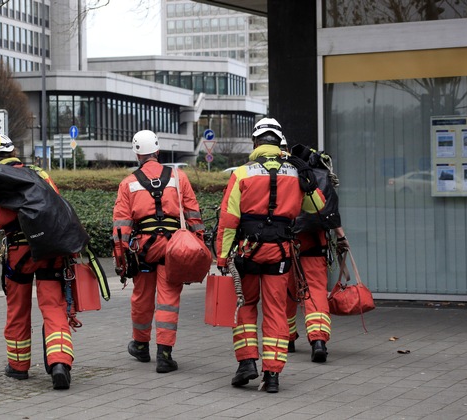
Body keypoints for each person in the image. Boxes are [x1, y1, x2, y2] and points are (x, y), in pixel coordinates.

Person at [0, 133, 74, 390]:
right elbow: (58, 209)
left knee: (17, 309)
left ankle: (18, 367)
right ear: (13, 152)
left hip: (18, 254)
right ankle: (60, 363)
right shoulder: (39, 174)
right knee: (53, 307)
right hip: (49, 250)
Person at [215, 117, 325, 393]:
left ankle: (247, 363)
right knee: (276, 312)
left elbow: (228, 220)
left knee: (245, 305)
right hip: (280, 252)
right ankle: (273, 375)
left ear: (255, 143)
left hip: (247, 253)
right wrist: (305, 173)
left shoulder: (241, 174)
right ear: (279, 144)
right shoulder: (294, 174)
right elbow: (317, 207)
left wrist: (221, 257)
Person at [112, 130, 205, 374]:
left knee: (142, 297)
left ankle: (141, 345)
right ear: (157, 151)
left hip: (142, 249)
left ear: (136, 153)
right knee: (169, 299)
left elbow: (121, 227)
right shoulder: (178, 177)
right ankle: (164, 354)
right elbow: (193, 215)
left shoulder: (128, 183)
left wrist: (121, 260)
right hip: (174, 247)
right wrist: (198, 245)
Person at [286, 144, 350, 363]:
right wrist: (341, 237)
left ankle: (288, 337)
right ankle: (319, 340)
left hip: (288, 242)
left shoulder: (285, 175)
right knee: (315, 291)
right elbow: (331, 213)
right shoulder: (321, 176)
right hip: (316, 241)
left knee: (287, 291)